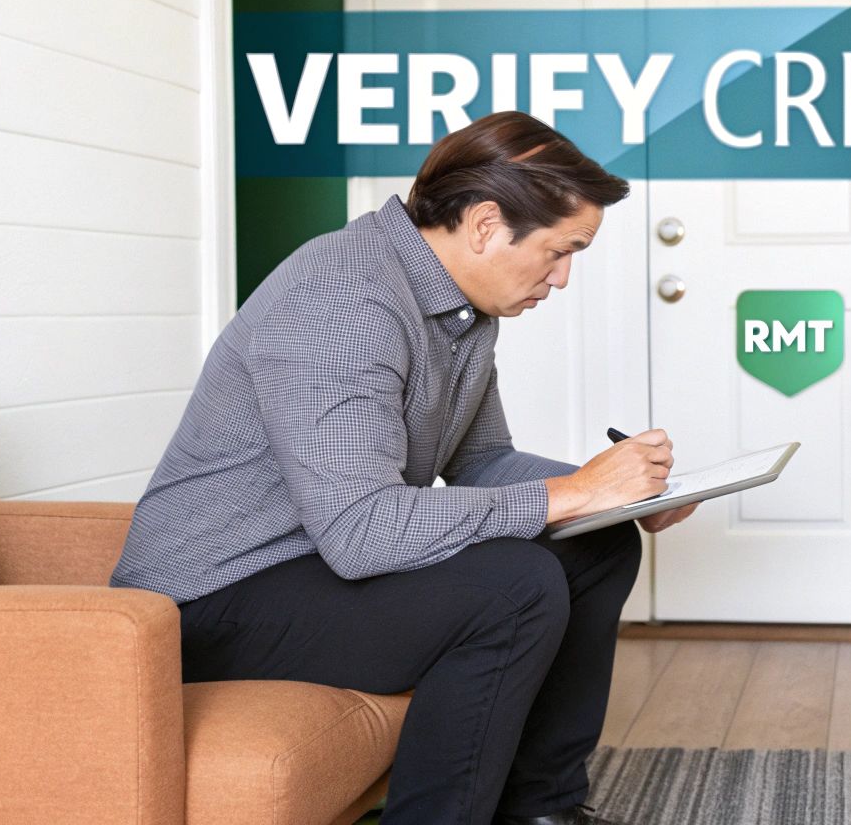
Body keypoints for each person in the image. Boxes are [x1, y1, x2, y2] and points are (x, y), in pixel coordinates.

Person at [112, 112, 694, 825]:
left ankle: (541, 812)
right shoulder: (345, 301)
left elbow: (482, 462)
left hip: (314, 562)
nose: (564, 278)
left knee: (596, 545)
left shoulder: (463, 308)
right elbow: (363, 532)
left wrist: (613, 496)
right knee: (513, 587)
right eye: (558, 250)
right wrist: (572, 492)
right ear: (485, 225)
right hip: (214, 600)